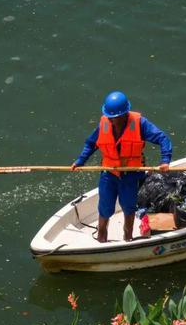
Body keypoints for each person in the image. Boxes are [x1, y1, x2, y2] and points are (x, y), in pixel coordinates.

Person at [71, 91, 173, 242]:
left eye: (116, 118)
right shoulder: (104, 124)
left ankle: (128, 238)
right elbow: (91, 144)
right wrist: (80, 161)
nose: (113, 121)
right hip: (109, 173)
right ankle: (101, 238)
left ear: (125, 114)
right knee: (104, 209)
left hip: (130, 174)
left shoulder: (140, 124)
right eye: (110, 118)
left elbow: (162, 138)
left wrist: (165, 160)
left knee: (128, 207)